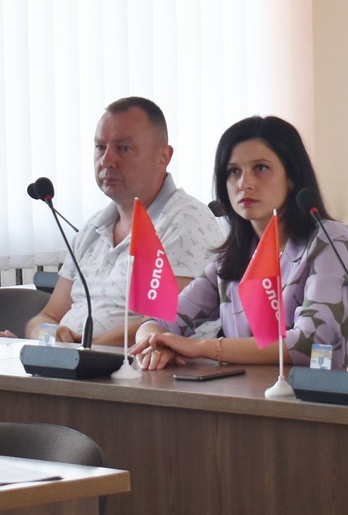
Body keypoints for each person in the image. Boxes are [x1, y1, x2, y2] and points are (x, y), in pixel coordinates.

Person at [130, 116, 348, 369]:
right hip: (241, 389)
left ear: (292, 176)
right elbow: (156, 321)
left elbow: (313, 343)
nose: (244, 184)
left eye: (260, 168)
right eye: (234, 172)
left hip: (309, 391)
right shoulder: (232, 259)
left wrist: (203, 348)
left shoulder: (330, 239)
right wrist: (156, 344)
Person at [19, 97, 219, 346]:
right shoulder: (92, 228)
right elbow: (47, 317)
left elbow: (167, 321)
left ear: (163, 157)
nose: (106, 161)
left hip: (137, 365)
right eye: (100, 147)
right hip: (71, 360)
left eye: (124, 148)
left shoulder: (186, 222)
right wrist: (48, 339)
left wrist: (86, 349)